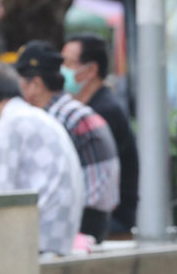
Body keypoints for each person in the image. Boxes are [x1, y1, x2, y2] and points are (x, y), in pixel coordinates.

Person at [0, 62, 84, 256]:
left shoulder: (9, 124)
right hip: (59, 233)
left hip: (39, 236)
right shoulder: (32, 115)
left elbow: (0, 194)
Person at [14, 40, 119, 243]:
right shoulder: (71, 110)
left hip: (80, 223)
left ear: (35, 85)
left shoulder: (55, 120)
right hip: (98, 218)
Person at [61, 33, 139, 237]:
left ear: (91, 70)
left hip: (111, 219)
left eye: (68, 63)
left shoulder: (104, 111)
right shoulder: (87, 107)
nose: (61, 71)